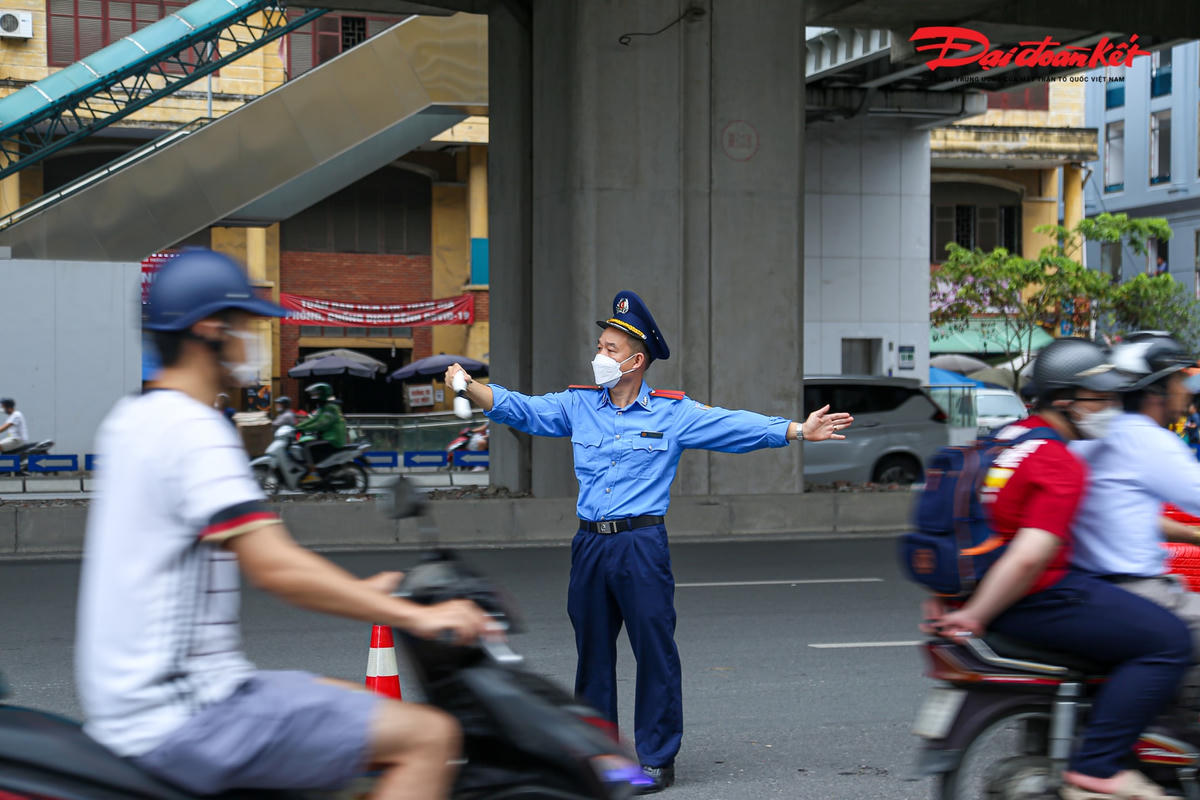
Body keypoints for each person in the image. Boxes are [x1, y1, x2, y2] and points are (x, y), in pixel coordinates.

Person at [76, 249, 491, 800]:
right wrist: (414, 615)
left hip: (137, 707)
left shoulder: (131, 420)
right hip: (189, 712)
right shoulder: (192, 427)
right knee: (428, 736)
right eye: (244, 325)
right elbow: (274, 566)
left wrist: (362, 591)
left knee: (346, 704)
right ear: (210, 328)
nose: (250, 341)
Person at [444, 290, 854, 793]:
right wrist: (469, 385)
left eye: (610, 350)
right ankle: (597, 755)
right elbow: (521, 409)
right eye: (599, 345)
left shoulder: (671, 413)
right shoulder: (577, 405)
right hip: (590, 546)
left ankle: (657, 756)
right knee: (592, 655)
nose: (600, 356)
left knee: (653, 651)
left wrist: (795, 430)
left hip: (641, 545)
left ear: (637, 361)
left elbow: (729, 424)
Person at [923, 337, 1191, 800]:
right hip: (1037, 597)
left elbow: (961, 520)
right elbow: (1030, 555)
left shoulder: (1008, 439)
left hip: (996, 589)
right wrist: (975, 616)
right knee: (1169, 639)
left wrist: (950, 596)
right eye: (1100, 399)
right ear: (1066, 403)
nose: (1111, 407)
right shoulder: (1058, 460)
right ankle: (1099, 768)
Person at [1068, 333, 1200, 709]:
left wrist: (1192, 535)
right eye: (1180, 381)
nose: (1187, 392)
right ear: (1156, 390)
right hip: (1138, 591)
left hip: (1094, 588)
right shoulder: (1149, 440)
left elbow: (1126, 513)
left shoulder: (1100, 436)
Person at [295, 382, 346, 472]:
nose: (314, 397)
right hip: (327, 437)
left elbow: (320, 424)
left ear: (322, 394)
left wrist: (302, 428)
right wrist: (297, 426)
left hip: (333, 439)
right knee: (305, 444)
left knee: (308, 447)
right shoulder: (324, 407)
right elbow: (313, 419)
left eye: (316, 394)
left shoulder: (330, 408)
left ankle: (314, 473)